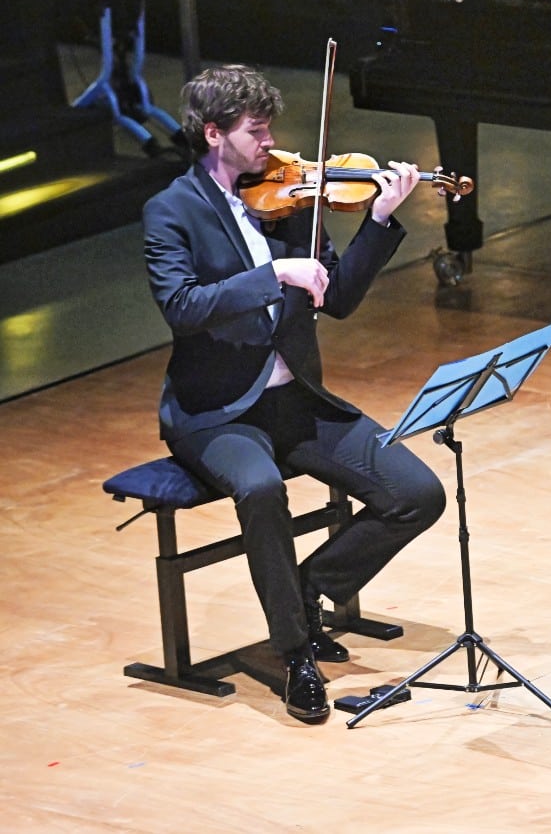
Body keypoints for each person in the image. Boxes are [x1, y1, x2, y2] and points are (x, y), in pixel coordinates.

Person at [143, 65, 446, 724]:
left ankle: (307, 591)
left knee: (417, 494)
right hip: (216, 412)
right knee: (260, 490)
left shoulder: (288, 198)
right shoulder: (172, 211)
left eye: (270, 127)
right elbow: (182, 305)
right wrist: (271, 272)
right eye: (256, 130)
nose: (270, 142)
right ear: (214, 133)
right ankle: (295, 652)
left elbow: (335, 298)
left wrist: (381, 219)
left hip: (295, 400)